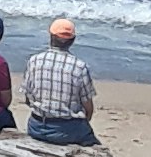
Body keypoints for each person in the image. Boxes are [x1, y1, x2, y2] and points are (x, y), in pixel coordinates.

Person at [23, 16, 99, 145]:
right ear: (72, 40)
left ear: (51, 36)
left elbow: (27, 98)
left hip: (37, 126)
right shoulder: (79, 66)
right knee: (94, 145)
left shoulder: (34, 61)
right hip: (66, 129)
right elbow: (89, 108)